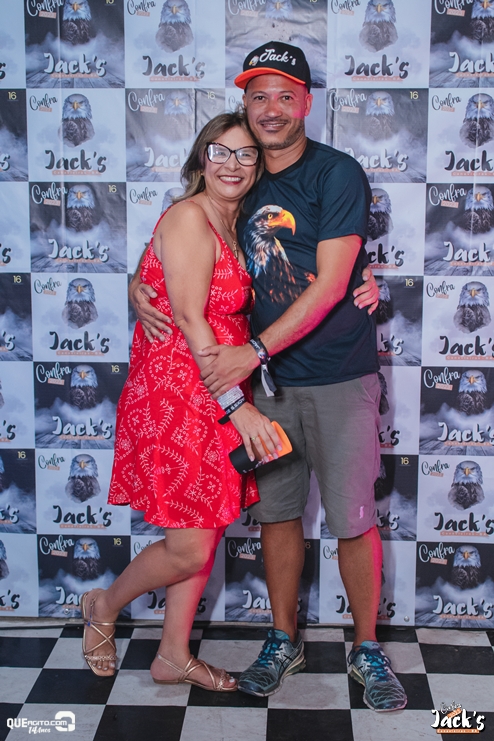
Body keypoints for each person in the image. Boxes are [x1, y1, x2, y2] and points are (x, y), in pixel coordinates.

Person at [129, 43, 407, 712]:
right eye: (259, 96)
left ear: (307, 102)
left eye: (286, 95)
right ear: (245, 106)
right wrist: (138, 284)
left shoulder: (337, 172)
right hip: (264, 390)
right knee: (278, 516)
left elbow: (333, 281)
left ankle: (367, 646)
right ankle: (284, 639)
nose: (272, 109)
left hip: (337, 375)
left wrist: (254, 348)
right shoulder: (243, 176)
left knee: (353, 518)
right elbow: (182, 238)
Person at [80, 111, 282, 692]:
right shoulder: (191, 216)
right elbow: (193, 320)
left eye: (245, 154)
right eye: (220, 151)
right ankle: (103, 605)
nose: (232, 164)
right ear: (200, 159)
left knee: (205, 528)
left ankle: (172, 655)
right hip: (182, 394)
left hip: (210, 388)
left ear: (257, 165)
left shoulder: (234, 222)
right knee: (190, 548)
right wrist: (237, 407)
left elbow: (166, 281)